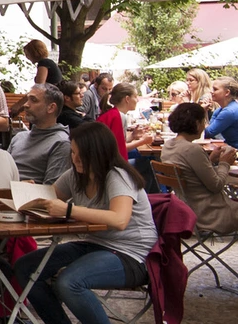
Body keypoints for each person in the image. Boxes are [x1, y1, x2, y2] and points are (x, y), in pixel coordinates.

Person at [13, 122, 157, 324]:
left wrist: (68, 211)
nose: (74, 158)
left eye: (79, 153)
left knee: (72, 282)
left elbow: (119, 219)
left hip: (131, 254)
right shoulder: (75, 174)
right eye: (73, 152)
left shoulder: (117, 175)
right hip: (94, 243)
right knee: (26, 266)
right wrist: (30, 192)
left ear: (97, 153)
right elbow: (50, 196)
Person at [162, 103, 238, 235]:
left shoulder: (168, 146)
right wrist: (224, 163)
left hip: (187, 210)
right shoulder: (192, 149)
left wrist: (209, 160)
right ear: (197, 123)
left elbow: (191, 175)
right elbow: (216, 186)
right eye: (203, 121)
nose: (204, 126)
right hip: (211, 215)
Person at [10, 85, 73, 187]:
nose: (26, 105)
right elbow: (3, 174)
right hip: (3, 196)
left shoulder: (61, 142)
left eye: (33, 100)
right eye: (27, 100)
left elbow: (51, 192)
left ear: (51, 108)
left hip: (31, 199)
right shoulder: (19, 137)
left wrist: (18, 187)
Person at [101, 83, 152, 160]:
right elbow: (119, 150)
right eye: (135, 96)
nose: (137, 100)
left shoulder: (112, 113)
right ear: (127, 99)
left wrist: (132, 136)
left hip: (105, 162)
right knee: (150, 159)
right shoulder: (118, 116)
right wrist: (142, 141)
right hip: (111, 166)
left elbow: (116, 143)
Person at [204, 77, 238, 144]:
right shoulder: (220, 109)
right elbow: (209, 128)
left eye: (215, 89)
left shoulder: (229, 111)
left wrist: (202, 113)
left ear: (227, 92)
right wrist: (204, 112)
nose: (211, 91)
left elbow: (208, 133)